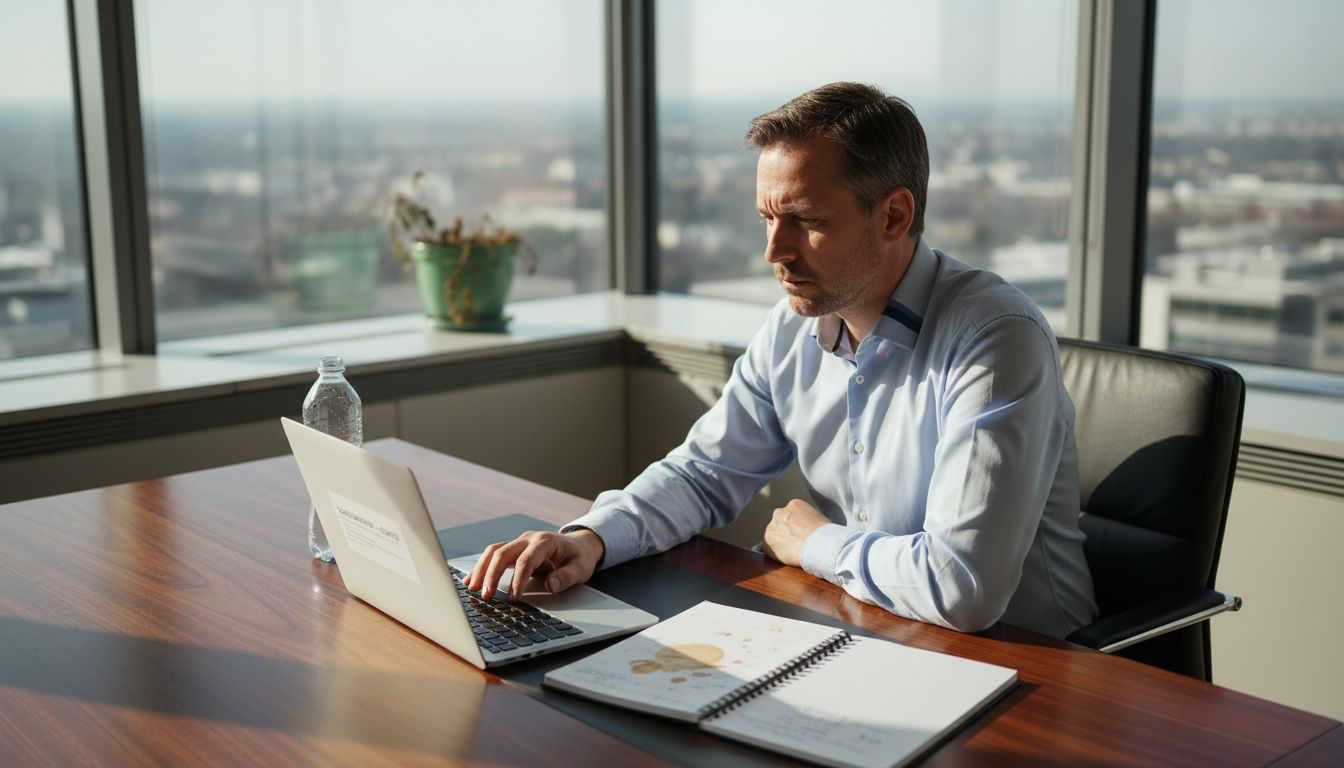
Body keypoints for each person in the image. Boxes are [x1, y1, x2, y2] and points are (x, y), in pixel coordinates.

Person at [469, 82, 1097, 638]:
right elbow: (703, 475)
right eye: (768, 218)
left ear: (894, 216)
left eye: (803, 220)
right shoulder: (794, 327)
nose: (775, 251)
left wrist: (813, 542)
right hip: (877, 628)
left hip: (1040, 668)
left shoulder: (994, 339)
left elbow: (963, 588)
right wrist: (591, 539)